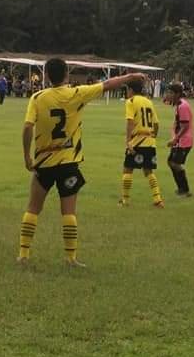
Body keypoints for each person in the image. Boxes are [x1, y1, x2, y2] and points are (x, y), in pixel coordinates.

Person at [17, 58, 146, 267]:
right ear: (67, 74)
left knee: (33, 207)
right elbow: (107, 84)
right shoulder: (77, 94)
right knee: (68, 212)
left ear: (47, 75)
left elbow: (27, 127)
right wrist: (130, 77)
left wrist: (26, 156)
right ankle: (70, 258)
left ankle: (23, 254)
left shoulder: (37, 98)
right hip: (69, 163)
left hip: (44, 162)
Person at [119, 80, 164, 209]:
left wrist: (128, 141)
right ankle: (158, 199)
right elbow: (156, 123)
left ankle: (125, 200)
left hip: (137, 140)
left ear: (131, 90)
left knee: (128, 169)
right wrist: (154, 134)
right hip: (149, 141)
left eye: (127, 90)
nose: (127, 93)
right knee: (148, 170)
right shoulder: (148, 101)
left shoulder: (131, 101)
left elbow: (130, 121)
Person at [165, 84, 194, 197]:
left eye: (171, 93)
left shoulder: (183, 106)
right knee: (171, 162)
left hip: (184, 141)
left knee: (174, 163)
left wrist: (175, 139)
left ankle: (185, 189)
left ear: (177, 94)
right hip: (179, 141)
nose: (168, 95)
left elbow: (185, 126)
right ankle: (181, 188)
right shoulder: (179, 105)